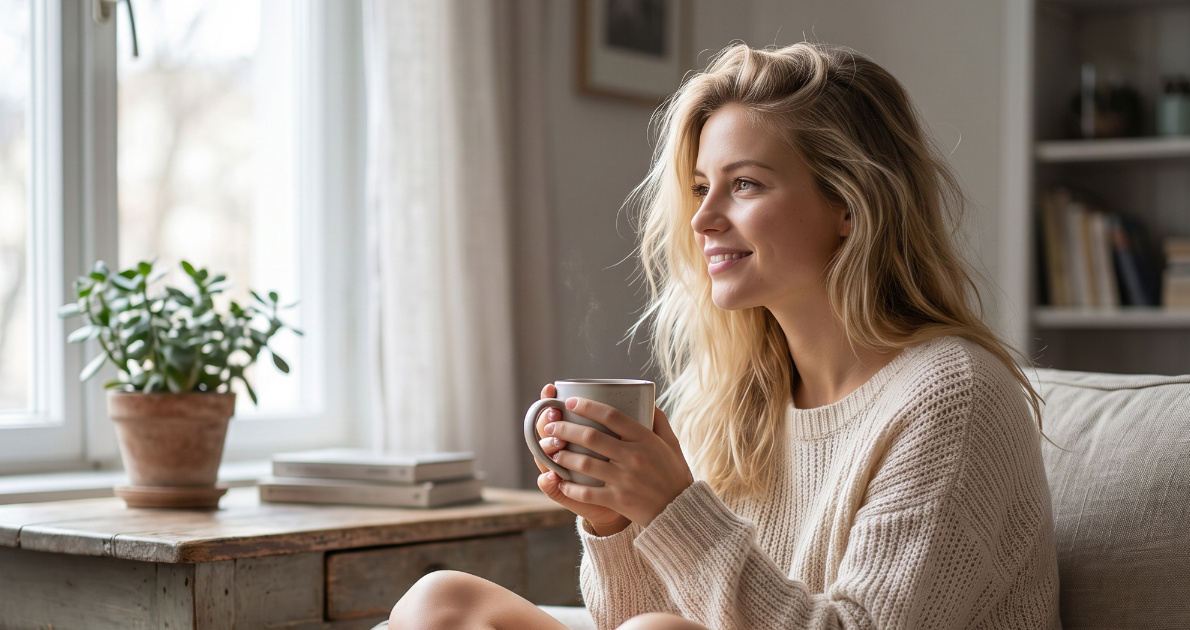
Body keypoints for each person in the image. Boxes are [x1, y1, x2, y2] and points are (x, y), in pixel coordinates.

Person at [389, 41, 1061, 630]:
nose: (703, 219)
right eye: (701, 186)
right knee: (439, 602)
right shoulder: (734, 396)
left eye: (744, 185)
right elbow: (639, 617)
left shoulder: (951, 395)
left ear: (850, 207)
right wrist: (616, 520)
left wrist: (673, 506)